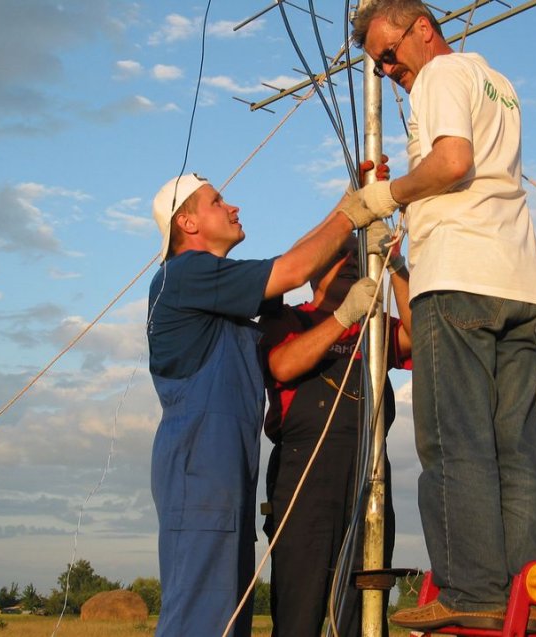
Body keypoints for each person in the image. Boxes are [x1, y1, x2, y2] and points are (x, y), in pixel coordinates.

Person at [351, 1, 536, 632]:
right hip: (518, 280)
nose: (386, 70)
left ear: (422, 29)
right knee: (512, 448)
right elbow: (465, 173)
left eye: (388, 53)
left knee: (453, 441)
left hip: (459, 283)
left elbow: (453, 161)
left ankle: (472, 593)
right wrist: (410, 200)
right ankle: (527, 588)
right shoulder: (497, 82)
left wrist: (388, 194)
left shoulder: (437, 77)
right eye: (377, 62)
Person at [146, 172, 393, 637]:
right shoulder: (185, 273)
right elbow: (294, 270)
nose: (233, 207)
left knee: (228, 615)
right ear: (188, 222)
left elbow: (290, 263)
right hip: (199, 469)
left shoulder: (219, 288)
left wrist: (346, 206)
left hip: (225, 470)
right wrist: (354, 213)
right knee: (200, 616)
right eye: (218, 201)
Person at [260, 221, 412, 637]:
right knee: (299, 608)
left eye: (356, 253)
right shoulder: (290, 319)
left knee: (365, 604)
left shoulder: (377, 326)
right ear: (312, 268)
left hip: (370, 470)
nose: (349, 261)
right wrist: (344, 318)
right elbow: (283, 364)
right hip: (304, 473)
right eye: (337, 254)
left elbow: (423, 336)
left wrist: (397, 267)